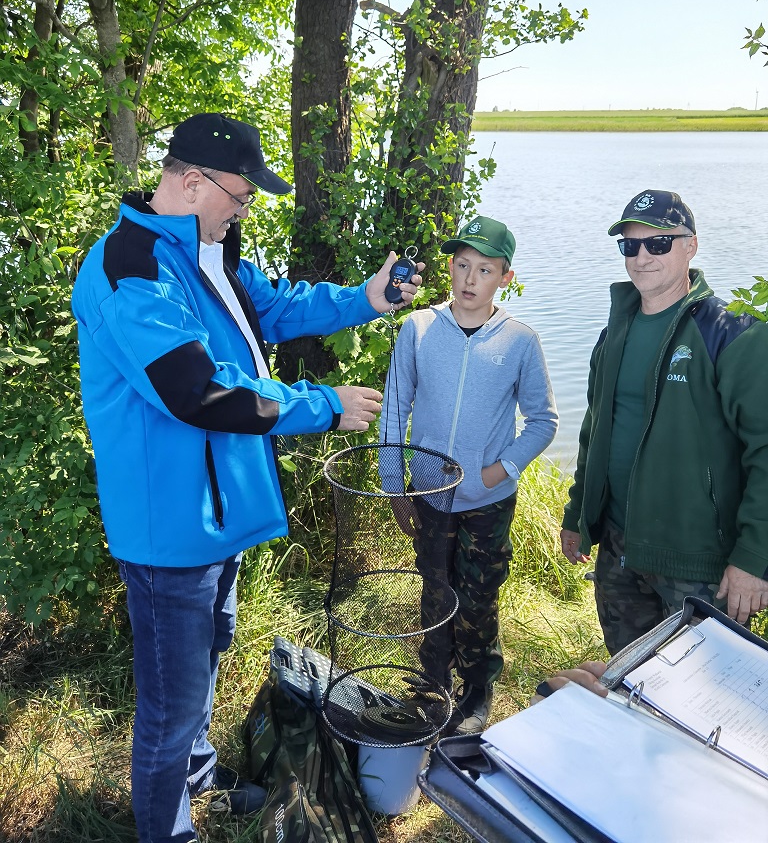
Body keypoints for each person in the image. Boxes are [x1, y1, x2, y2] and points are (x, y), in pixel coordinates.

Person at [71, 113, 423, 843]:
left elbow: (275, 306)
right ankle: (168, 829)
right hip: (172, 526)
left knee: (206, 655)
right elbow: (196, 390)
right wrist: (323, 406)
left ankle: (199, 773)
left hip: (220, 512)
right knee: (168, 706)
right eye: (240, 194)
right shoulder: (129, 268)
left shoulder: (210, 249)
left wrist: (364, 297)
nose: (244, 208)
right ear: (191, 179)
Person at [561, 189, 768, 656]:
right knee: (630, 688)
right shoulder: (614, 332)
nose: (641, 257)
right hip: (619, 548)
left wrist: (754, 559)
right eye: (630, 245)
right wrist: (579, 513)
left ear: (690, 246)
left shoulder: (732, 333)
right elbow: (594, 430)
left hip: (698, 563)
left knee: (702, 707)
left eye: (658, 244)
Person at [380, 216, 557, 734]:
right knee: (436, 590)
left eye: (485, 269)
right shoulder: (418, 329)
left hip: (488, 499)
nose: (469, 279)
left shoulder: (520, 341)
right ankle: (432, 683)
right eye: (461, 265)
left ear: (505, 276)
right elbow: (394, 410)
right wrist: (396, 486)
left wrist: (499, 469)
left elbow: (543, 421)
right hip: (430, 494)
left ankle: (477, 691)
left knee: (478, 597)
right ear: (450, 269)